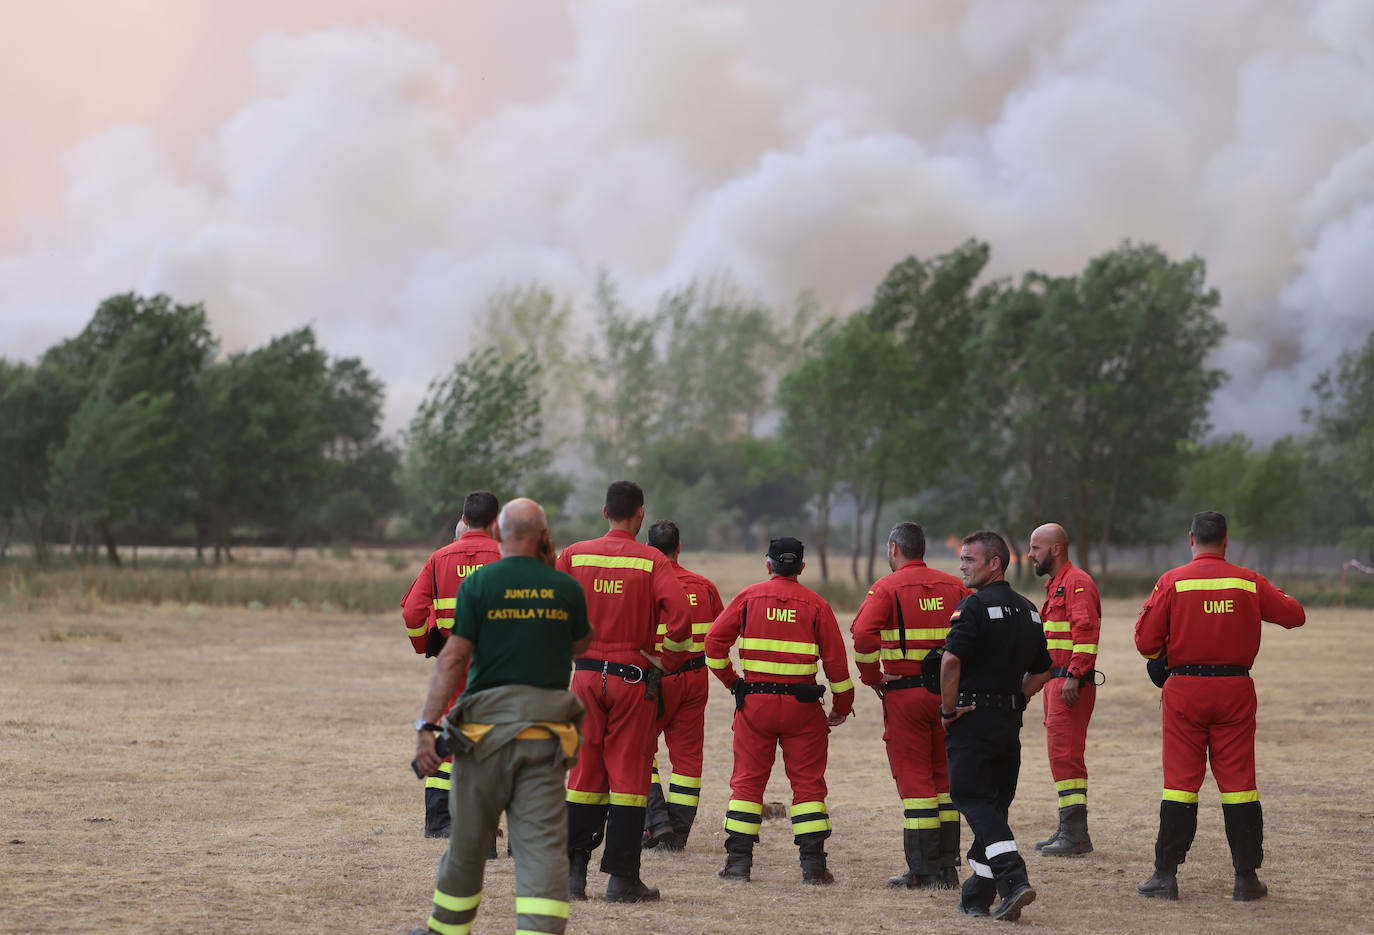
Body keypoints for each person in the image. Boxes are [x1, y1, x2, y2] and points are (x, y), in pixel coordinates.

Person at [408, 498, 593, 935]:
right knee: (543, 848)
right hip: (545, 739)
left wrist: (428, 726)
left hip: (483, 736)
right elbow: (581, 646)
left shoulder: (480, 585)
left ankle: (448, 929)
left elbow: (453, 658)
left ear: (498, 533)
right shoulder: (565, 588)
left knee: (468, 843)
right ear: (545, 537)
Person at [1133, 510, 1305, 902]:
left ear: (1191, 540)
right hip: (1235, 689)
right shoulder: (1247, 581)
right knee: (1240, 784)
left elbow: (1145, 643)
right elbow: (1295, 616)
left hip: (1184, 691)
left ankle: (1165, 875)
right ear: (1226, 541)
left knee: (1180, 783)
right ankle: (1246, 879)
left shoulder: (1172, 581)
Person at [557, 481, 694, 903]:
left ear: (604, 511)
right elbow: (681, 622)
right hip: (632, 680)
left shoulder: (573, 555)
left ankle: (572, 878)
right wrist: (666, 663)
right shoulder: (652, 561)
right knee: (630, 779)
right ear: (639, 514)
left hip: (584, 677)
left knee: (582, 777)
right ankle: (622, 881)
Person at [705, 536, 855, 884]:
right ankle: (814, 869)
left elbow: (713, 644)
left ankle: (738, 865)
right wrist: (842, 706)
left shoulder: (747, 597)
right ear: (801, 568)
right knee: (808, 788)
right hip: (803, 709)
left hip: (755, 704)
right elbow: (837, 667)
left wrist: (733, 682)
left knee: (746, 784)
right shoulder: (817, 604)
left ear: (767, 564)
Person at [851, 522, 970, 889]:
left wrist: (872, 677)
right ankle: (948, 867)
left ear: (893, 549)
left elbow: (861, 634)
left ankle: (923, 870)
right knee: (945, 780)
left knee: (917, 781)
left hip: (905, 693)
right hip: (950, 694)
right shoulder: (955, 586)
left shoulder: (886, 587)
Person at [941, 530, 1052, 922]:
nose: (962, 566)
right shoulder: (1029, 610)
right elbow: (1042, 670)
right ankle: (976, 895)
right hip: (1008, 722)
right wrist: (1017, 699)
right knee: (993, 810)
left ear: (995, 564)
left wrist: (948, 709)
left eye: (970, 559)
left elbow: (950, 661)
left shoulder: (970, 608)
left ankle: (1013, 878)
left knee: (973, 801)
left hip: (972, 720)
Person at [400, 491, 503, 837]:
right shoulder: (507, 557)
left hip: (455, 658)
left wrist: (425, 643)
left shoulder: (438, 558)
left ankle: (439, 820)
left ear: (464, 518)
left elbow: (413, 610)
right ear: (494, 521)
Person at [642, 520, 724, 852]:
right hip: (695, 680)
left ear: (649, 549)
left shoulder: (645, 585)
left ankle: (656, 821)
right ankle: (677, 838)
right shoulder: (704, 586)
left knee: (638, 749)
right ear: (679, 547)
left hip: (653, 679)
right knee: (688, 761)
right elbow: (719, 635)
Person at [1025, 522, 1102, 857]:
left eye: (1035, 548)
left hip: (1069, 684)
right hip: (1055, 682)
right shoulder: (1057, 584)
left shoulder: (1077, 583)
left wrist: (1075, 674)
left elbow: (1085, 630)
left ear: (1055, 549)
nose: (1030, 555)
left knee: (1067, 757)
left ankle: (1076, 836)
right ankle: (1068, 829)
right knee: (1060, 757)